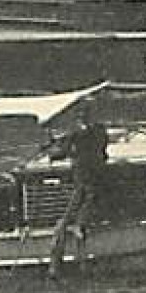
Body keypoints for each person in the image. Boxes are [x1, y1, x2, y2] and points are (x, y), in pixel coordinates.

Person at [48, 108, 111, 277]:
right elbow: (104, 150)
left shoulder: (76, 135)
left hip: (83, 178)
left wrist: (52, 150)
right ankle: (79, 244)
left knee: (72, 212)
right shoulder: (99, 132)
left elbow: (62, 151)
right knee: (87, 202)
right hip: (96, 176)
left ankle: (58, 263)